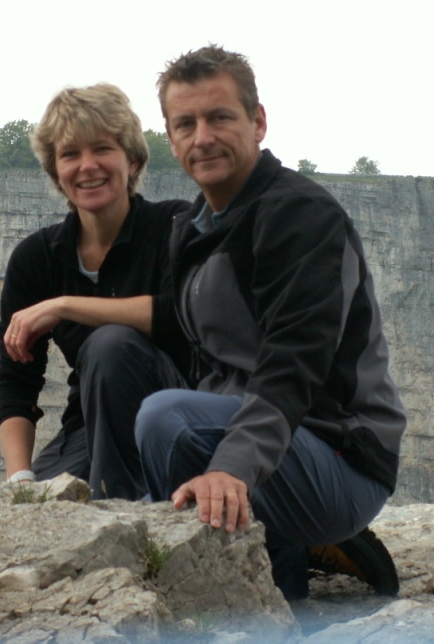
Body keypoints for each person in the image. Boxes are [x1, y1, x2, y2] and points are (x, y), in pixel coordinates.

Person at [132, 45, 407, 600]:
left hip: (338, 453)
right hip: (267, 443)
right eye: (185, 124)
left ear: (258, 122)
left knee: (165, 419)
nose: (202, 137)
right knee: (126, 364)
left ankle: (262, 591)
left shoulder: (301, 215)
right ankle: (279, 570)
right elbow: (197, 354)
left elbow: (294, 362)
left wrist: (232, 467)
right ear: (171, 138)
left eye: (220, 117)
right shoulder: (195, 227)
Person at [0, 83, 190, 499]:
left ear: (132, 160)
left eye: (102, 149)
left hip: (181, 414)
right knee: (41, 509)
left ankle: (118, 509)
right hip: (91, 426)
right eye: (70, 154)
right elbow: (16, 381)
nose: (87, 166)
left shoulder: (174, 227)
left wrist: (66, 306)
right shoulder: (37, 258)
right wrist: (20, 480)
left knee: (110, 345)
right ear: (55, 171)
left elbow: (181, 316)